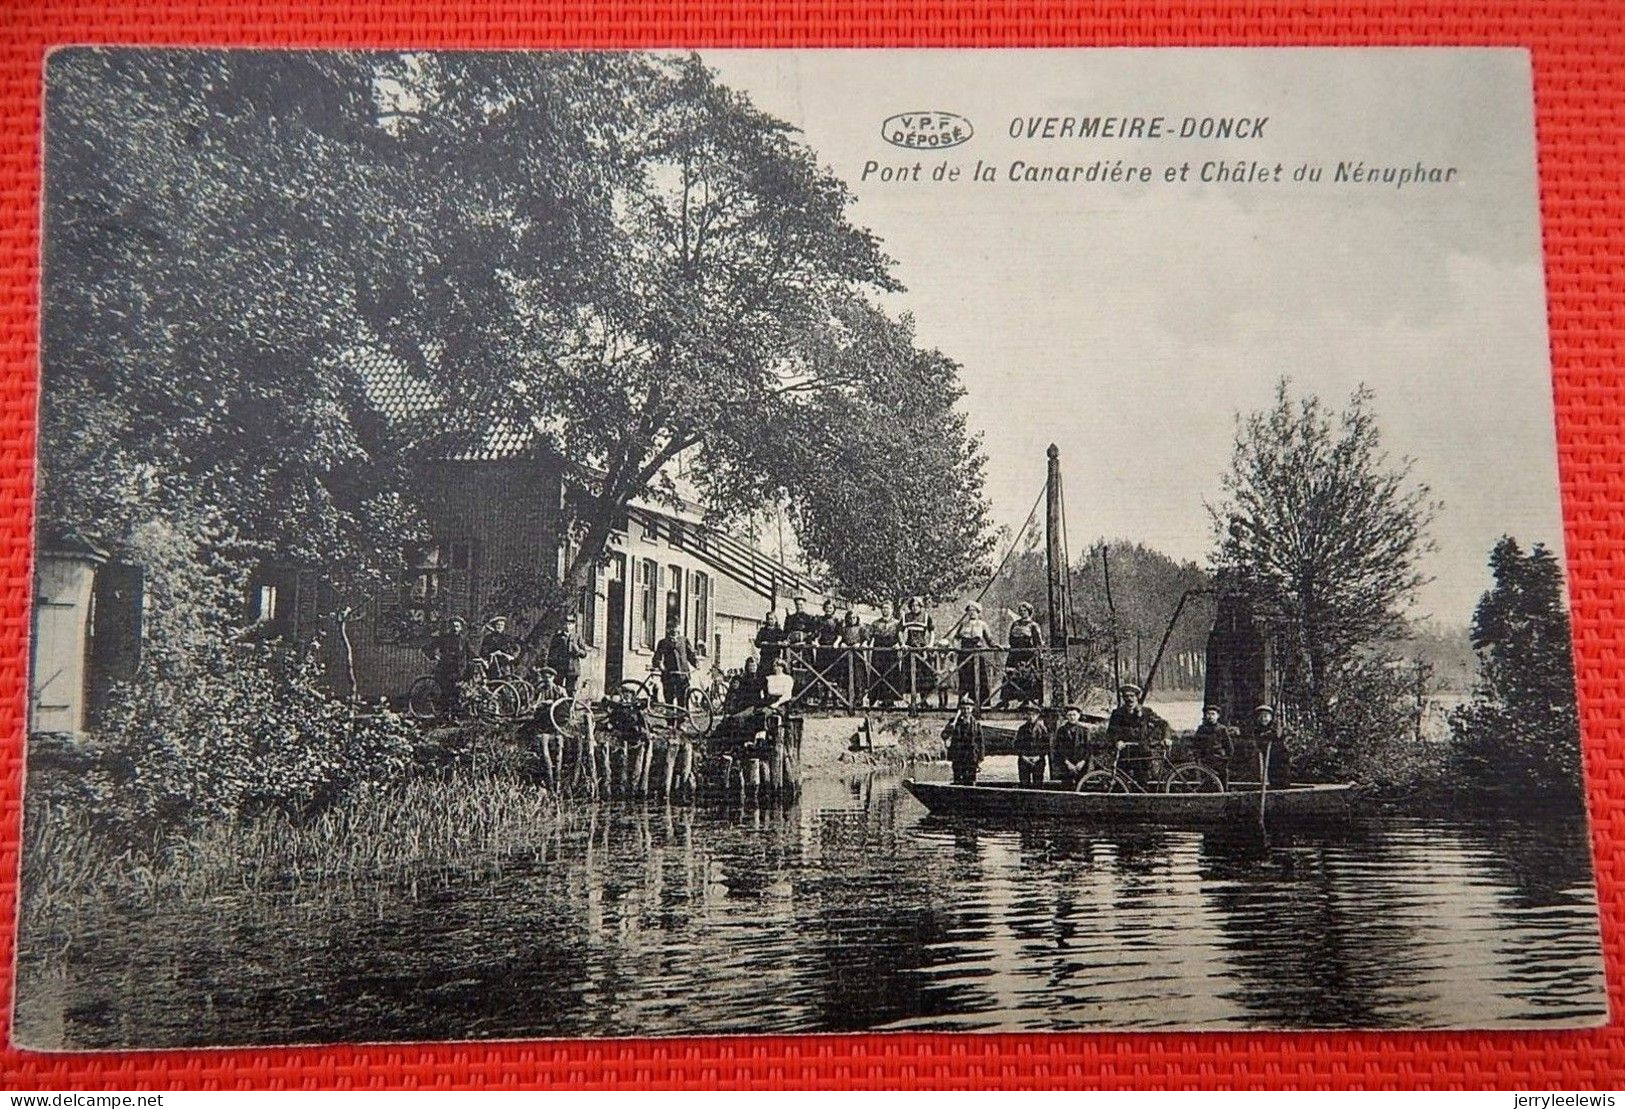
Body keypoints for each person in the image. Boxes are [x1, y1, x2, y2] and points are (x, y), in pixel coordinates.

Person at [1105, 683, 1170, 789]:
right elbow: (1111, 732)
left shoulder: (1146, 712)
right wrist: (1117, 741)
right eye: (1126, 696)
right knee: (1121, 782)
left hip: (1142, 752)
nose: (1129, 699)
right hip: (1125, 752)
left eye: (1132, 696)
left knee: (1142, 782)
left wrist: (1166, 737)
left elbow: (1164, 724)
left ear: (1137, 697)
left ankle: (1143, 803)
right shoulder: (1117, 713)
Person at [423, 617, 473, 719]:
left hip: (459, 669)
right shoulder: (444, 638)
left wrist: (480, 659)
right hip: (445, 669)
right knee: (448, 691)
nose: (455, 628)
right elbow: (427, 648)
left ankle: (454, 715)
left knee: (457, 691)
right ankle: (446, 715)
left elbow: (470, 652)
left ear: (461, 628)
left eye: (457, 626)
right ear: (450, 627)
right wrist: (434, 656)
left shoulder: (463, 639)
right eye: (453, 626)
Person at [1000, 603, 1045, 708]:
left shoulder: (1033, 625)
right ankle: (1005, 700)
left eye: (1024, 610)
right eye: (1020, 610)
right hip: (1015, 654)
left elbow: (1039, 642)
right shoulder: (1015, 624)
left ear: (1029, 611)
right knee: (1009, 675)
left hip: (1027, 655)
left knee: (1027, 677)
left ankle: (1027, 701)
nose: (1022, 612)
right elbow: (1011, 639)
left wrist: (1037, 654)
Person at [955, 601, 999, 707]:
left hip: (977, 655)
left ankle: (983, 704)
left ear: (978, 612)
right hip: (964, 655)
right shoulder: (963, 624)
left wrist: (995, 646)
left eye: (974, 611)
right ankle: (964, 704)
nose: (972, 613)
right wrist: (955, 648)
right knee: (965, 680)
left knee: (980, 678)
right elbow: (956, 638)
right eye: (969, 611)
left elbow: (990, 640)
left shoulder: (983, 624)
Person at [900, 597, 937, 709]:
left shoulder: (926, 617)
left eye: (917, 605)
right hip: (910, 649)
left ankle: (924, 701)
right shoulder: (906, 617)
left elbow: (932, 631)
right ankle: (912, 702)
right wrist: (902, 643)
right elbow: (900, 631)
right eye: (912, 606)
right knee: (910, 675)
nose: (914, 608)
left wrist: (930, 644)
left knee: (923, 676)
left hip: (922, 649)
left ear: (921, 606)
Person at [652, 617, 699, 706]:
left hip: (683, 675)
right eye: (671, 627)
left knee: (682, 700)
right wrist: (660, 665)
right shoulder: (663, 642)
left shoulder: (684, 640)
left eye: (676, 627)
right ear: (667, 629)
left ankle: (682, 719)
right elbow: (657, 657)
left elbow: (690, 654)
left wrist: (695, 663)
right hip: (669, 676)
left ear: (679, 628)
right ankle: (671, 720)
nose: (674, 629)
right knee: (669, 701)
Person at [1189, 704, 1237, 788]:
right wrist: (1197, 757)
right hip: (1205, 760)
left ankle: (1223, 796)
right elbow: (1196, 744)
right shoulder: (1201, 729)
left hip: (1219, 760)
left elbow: (1229, 746)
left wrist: (1226, 759)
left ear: (1218, 716)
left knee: (1223, 780)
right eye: (1208, 714)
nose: (1210, 716)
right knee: (1206, 781)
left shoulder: (1222, 729)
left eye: (1213, 714)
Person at [866, 600, 902, 707]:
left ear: (892, 610)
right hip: (878, 653)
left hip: (891, 653)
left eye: (887, 608)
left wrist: (899, 644)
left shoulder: (897, 623)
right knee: (878, 675)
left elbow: (901, 638)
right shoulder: (875, 623)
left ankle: (890, 700)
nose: (885, 610)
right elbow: (869, 637)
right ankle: (877, 699)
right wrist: (865, 643)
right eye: (883, 608)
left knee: (891, 675)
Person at [1247, 703, 1292, 788]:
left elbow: (1282, 735)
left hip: (1281, 759)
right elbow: (1260, 742)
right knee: (1273, 778)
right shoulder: (1257, 730)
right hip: (1269, 760)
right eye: (1262, 716)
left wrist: (1275, 734)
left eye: (1266, 716)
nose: (1264, 719)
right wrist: (1267, 736)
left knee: (1283, 778)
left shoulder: (1275, 728)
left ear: (1271, 717)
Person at [942, 697, 985, 785]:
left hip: (971, 757)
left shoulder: (976, 725)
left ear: (972, 709)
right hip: (958, 756)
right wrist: (949, 729)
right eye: (963, 708)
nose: (965, 711)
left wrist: (981, 757)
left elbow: (981, 742)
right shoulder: (954, 722)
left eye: (968, 708)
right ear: (960, 709)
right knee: (957, 780)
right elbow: (944, 736)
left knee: (971, 781)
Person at [547, 614, 591, 696]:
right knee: (557, 690)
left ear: (574, 625)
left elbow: (584, 654)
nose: (567, 626)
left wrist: (578, 651)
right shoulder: (557, 637)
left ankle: (570, 708)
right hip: (560, 668)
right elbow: (551, 652)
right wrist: (552, 665)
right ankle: (558, 707)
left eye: (570, 624)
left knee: (571, 691)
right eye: (566, 624)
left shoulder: (577, 637)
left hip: (572, 669)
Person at [1052, 704, 1091, 787]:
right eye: (1070, 715)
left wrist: (1083, 761)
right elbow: (1058, 748)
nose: (1072, 717)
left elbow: (1088, 748)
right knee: (1066, 787)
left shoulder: (1085, 731)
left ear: (1079, 716)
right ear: (1066, 716)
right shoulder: (1061, 730)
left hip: (1081, 766)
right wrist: (1067, 762)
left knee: (1081, 787)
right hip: (1066, 765)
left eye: (1074, 715)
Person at [1014, 706, 1051, 786]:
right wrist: (1023, 756)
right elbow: (1017, 745)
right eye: (1029, 714)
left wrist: (1039, 757)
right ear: (1026, 715)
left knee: (1038, 784)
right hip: (1024, 761)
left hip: (1038, 761)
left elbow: (1047, 746)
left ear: (1037, 715)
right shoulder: (1022, 729)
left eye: (1034, 715)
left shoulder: (1043, 729)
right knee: (1024, 783)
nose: (1031, 717)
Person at [838, 609, 868, 705]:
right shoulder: (844, 629)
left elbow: (866, 639)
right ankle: (847, 698)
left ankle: (859, 698)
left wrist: (861, 644)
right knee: (846, 676)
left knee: (858, 676)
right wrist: (842, 643)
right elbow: (841, 639)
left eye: (854, 618)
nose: (852, 620)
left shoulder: (861, 628)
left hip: (857, 655)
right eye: (850, 618)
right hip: (846, 655)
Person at [754, 611, 784, 675]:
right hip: (765, 658)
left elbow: (783, 643)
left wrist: (780, 643)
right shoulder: (763, 630)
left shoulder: (779, 631)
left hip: (775, 658)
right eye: (768, 619)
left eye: (772, 619)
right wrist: (762, 643)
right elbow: (757, 643)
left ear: (775, 620)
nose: (770, 621)